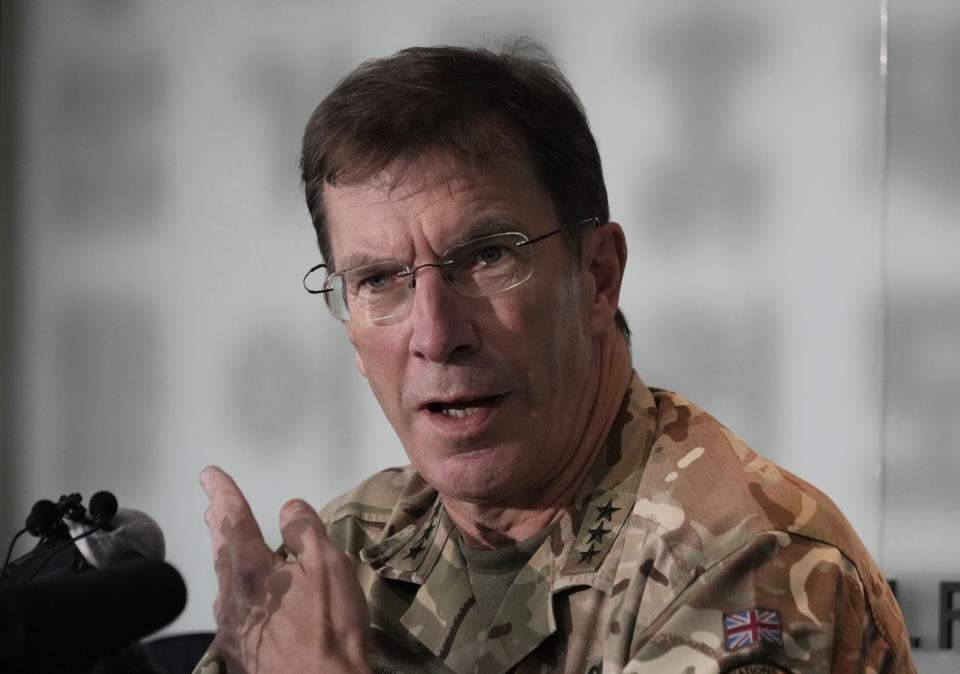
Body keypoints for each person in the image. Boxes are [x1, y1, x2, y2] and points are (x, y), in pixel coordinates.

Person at [194, 42, 915, 673]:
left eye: (485, 258)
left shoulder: (743, 564)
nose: (435, 333)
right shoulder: (353, 548)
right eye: (379, 281)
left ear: (598, 275)